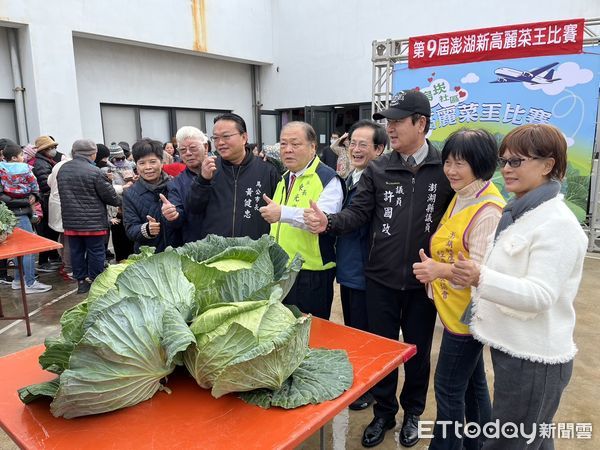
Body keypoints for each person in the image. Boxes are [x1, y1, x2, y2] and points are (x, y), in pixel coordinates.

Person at [304, 89, 453, 448]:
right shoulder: (379, 169)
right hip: (381, 280)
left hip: (422, 282)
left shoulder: (444, 168)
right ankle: (384, 412)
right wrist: (330, 222)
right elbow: (359, 213)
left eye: (399, 121)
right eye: (389, 120)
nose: (392, 127)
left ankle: (412, 412)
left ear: (421, 124)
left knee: (417, 353)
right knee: (383, 352)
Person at [450, 124, 588, 449]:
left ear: (548, 164)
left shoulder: (557, 224)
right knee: (534, 438)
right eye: (504, 161)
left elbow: (540, 295)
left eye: (517, 161)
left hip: (535, 360)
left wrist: (479, 277)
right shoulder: (524, 210)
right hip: (515, 350)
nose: (507, 169)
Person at [412, 129, 505, 450]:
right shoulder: (463, 194)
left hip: (469, 313)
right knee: (472, 385)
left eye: (460, 163)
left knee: (448, 388)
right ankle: (480, 444)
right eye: (448, 162)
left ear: (480, 165)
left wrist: (438, 270)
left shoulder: (489, 210)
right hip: (455, 309)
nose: (450, 170)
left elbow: (480, 273)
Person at [260, 121, 344, 319]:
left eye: (295, 144)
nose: (288, 150)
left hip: (311, 272)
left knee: (311, 334)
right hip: (282, 270)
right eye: (283, 144)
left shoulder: (327, 178)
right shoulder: (286, 177)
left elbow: (321, 220)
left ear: (313, 147)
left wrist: (283, 213)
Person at [336, 120, 386, 410]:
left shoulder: (378, 182)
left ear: (379, 149)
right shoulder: (349, 178)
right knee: (354, 331)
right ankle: (362, 384)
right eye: (352, 143)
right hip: (348, 269)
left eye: (363, 144)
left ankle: (372, 389)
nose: (355, 149)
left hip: (367, 273)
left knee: (369, 337)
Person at [186, 113, 280, 239]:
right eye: (216, 138)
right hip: (216, 251)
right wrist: (203, 180)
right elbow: (193, 209)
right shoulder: (210, 168)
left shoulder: (267, 170)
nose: (220, 143)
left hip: (255, 250)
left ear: (244, 137)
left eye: (226, 136)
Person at [57, 140, 120, 294]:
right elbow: (111, 198)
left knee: (76, 251)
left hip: (71, 221)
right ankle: (95, 280)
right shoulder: (95, 172)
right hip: (93, 222)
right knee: (96, 251)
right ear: (93, 154)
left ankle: (80, 281)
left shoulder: (63, 169)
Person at [0, 144, 52, 293]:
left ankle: (18, 280)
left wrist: (32, 197)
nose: (24, 157)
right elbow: (35, 187)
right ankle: (29, 282)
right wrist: (30, 199)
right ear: (15, 157)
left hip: (9, 214)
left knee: (17, 248)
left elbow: (3, 196)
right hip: (20, 213)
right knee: (28, 248)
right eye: (21, 155)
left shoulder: (2, 171)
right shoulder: (27, 170)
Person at [123, 139, 174, 253]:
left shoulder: (175, 185)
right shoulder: (130, 194)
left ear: (161, 162)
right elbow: (130, 229)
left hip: (178, 252)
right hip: (149, 258)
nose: (148, 167)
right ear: (136, 165)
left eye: (152, 161)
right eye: (142, 163)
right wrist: (146, 229)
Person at [161, 126, 208, 245]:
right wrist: (173, 215)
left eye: (193, 148)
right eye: (182, 150)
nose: (188, 153)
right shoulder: (176, 184)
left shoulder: (224, 172)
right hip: (196, 246)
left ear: (206, 147)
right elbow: (178, 217)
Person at [32, 135, 62, 271]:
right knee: (46, 232)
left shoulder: (46, 161)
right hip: (45, 202)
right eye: (52, 148)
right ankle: (43, 262)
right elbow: (45, 184)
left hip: (48, 200)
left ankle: (53, 256)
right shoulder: (41, 163)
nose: (54, 150)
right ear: (45, 149)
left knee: (50, 231)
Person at [47, 152, 74, 281]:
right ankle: (69, 268)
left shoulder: (58, 165)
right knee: (69, 238)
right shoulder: (71, 166)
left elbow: (49, 182)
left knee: (63, 237)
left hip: (56, 205)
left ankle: (65, 264)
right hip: (65, 206)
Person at [107, 143, 135, 262]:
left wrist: (133, 180)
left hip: (129, 204)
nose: (121, 161)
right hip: (116, 208)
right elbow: (108, 190)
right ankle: (120, 259)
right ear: (112, 159)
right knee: (119, 236)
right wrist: (123, 186)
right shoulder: (107, 171)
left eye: (123, 158)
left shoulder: (129, 167)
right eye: (118, 159)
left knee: (129, 235)